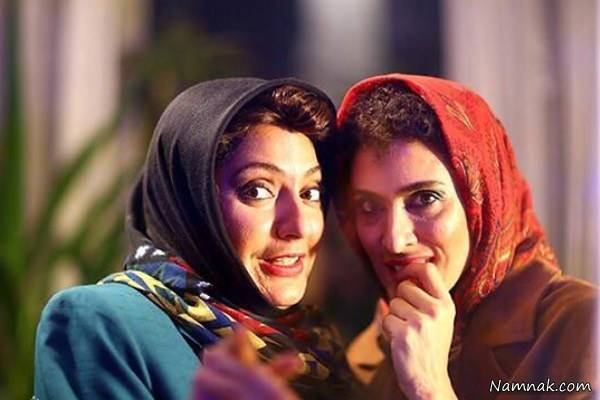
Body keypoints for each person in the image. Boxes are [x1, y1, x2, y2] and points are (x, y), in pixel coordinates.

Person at [34, 78, 354, 400]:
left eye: (310, 193)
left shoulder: (319, 347)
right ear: (193, 201)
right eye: (257, 190)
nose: (298, 225)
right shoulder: (104, 320)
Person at [336, 74, 598, 399]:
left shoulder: (581, 327)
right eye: (368, 206)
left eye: (425, 199)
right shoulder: (369, 353)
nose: (394, 240)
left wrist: (429, 387)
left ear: (484, 199)